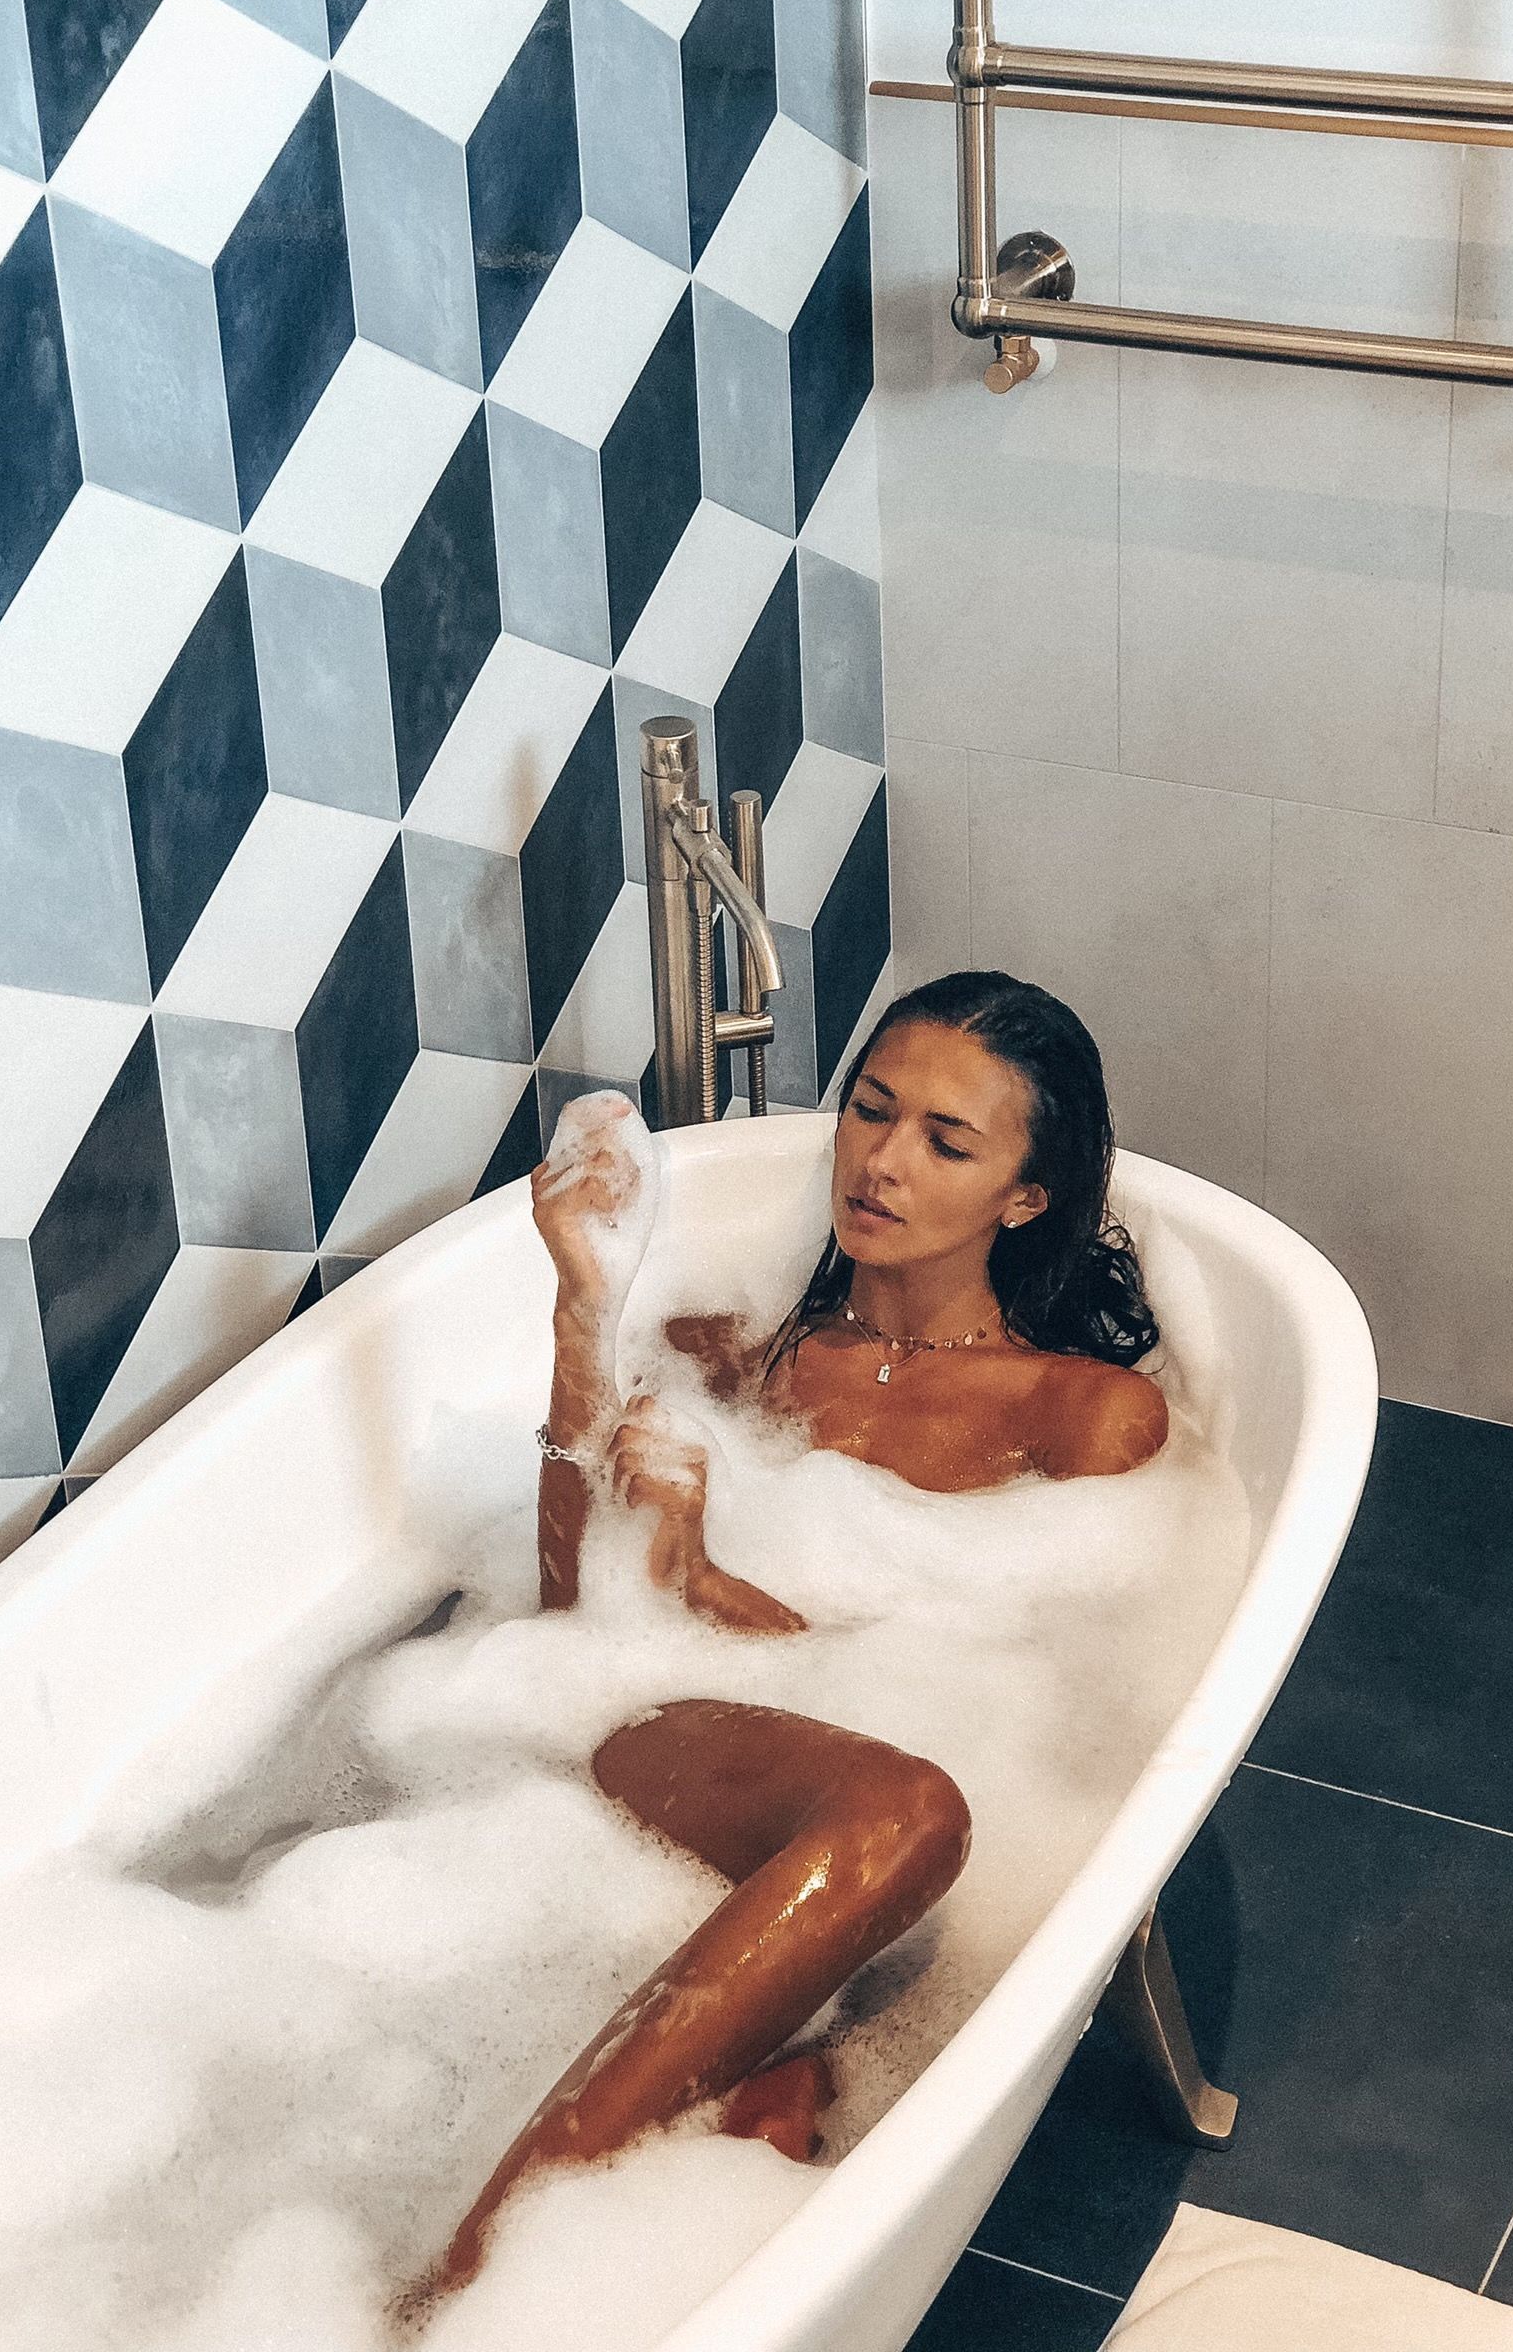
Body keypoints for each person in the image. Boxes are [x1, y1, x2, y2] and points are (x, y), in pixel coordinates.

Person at [431, 972, 1167, 2296]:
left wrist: (716, 1580)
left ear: (1026, 1197)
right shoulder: (743, 1351)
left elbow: (1076, 1676)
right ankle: (468, 2276)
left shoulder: (1083, 1415)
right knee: (908, 1815)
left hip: (910, 1795)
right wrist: (580, 1310)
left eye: (946, 1142)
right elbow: (563, 1606)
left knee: (780, 2107)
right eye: (871, 1111)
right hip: (684, 1737)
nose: (882, 1162)